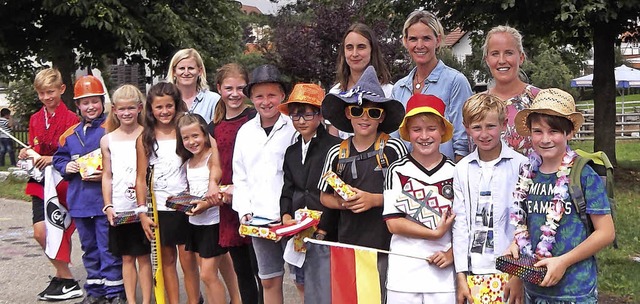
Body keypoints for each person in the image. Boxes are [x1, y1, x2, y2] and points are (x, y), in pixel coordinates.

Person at [508, 88, 615, 303]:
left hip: (575, 291)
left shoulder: (584, 175)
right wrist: (516, 260)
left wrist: (563, 261)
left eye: (554, 131)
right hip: (534, 290)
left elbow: (606, 232)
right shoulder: (528, 174)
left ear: (569, 133)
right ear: (529, 133)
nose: (545, 139)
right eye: (537, 131)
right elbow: (525, 225)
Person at [318, 65, 408, 300]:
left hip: (385, 245)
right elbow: (324, 196)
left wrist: (374, 200)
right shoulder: (336, 153)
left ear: (383, 117)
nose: (365, 118)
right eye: (357, 111)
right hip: (348, 244)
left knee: (382, 296)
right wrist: (343, 203)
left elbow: (408, 196)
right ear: (348, 114)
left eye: (374, 112)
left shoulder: (393, 148)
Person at [135, 82, 220, 304]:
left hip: (187, 206)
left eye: (169, 106)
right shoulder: (144, 138)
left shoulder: (187, 130)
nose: (164, 111)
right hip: (159, 208)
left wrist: (213, 183)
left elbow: (213, 156)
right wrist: (142, 212)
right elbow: (140, 178)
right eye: (159, 107)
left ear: (177, 105)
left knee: (188, 260)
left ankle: (194, 300)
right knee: (167, 261)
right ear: (150, 110)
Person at [53, 75, 126, 303]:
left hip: (105, 202)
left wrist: (107, 173)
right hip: (80, 203)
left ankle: (115, 292)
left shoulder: (112, 129)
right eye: (85, 102)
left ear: (102, 102)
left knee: (108, 249)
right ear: (78, 105)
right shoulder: (69, 135)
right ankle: (95, 291)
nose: (90, 107)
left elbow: (125, 161)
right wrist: (67, 166)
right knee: (90, 249)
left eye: (95, 101)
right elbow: (58, 159)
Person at [452, 93, 527, 304]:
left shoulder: (521, 165)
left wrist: (519, 273)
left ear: (503, 125)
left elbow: (525, 221)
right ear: (467, 128)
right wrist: (461, 275)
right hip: (475, 269)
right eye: (477, 127)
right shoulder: (462, 169)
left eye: (490, 126)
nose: (484, 134)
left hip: (511, 267)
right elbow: (460, 225)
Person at [382, 94, 457, 303]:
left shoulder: (456, 171)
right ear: (407, 132)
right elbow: (393, 223)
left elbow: (464, 224)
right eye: (417, 129)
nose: (424, 136)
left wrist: (452, 253)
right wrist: (434, 233)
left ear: (442, 130)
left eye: (431, 128)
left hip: (443, 273)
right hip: (404, 272)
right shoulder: (396, 170)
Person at [232, 64, 296, 304]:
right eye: (259, 96)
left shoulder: (293, 128)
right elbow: (240, 176)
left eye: (272, 95)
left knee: (301, 279)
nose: (266, 101)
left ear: (282, 96)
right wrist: (244, 211)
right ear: (251, 99)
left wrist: (292, 212)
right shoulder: (246, 132)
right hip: (259, 219)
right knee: (268, 279)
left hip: (291, 218)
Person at [18, 68, 81, 301]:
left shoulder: (73, 119)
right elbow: (33, 147)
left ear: (62, 89)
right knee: (40, 232)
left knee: (59, 230)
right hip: (39, 182)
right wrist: (27, 152)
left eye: (50, 92)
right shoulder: (35, 119)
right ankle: (66, 278)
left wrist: (53, 159)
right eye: (42, 93)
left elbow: (76, 154)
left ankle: (62, 279)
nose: (46, 97)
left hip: (63, 182)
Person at [277, 83, 341, 302]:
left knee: (326, 285)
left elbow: (336, 192)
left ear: (320, 114)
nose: (301, 121)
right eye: (295, 116)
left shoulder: (335, 148)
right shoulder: (291, 151)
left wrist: (324, 228)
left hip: (325, 229)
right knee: (300, 281)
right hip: (297, 229)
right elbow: (288, 187)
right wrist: (285, 214)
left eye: (307, 114)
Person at [207, 63, 261, 304]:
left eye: (240, 88)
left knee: (262, 269)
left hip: (253, 201)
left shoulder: (255, 117)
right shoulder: (214, 125)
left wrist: (241, 189)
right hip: (228, 204)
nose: (235, 93)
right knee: (242, 272)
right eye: (229, 88)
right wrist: (213, 184)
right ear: (219, 88)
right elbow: (215, 163)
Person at [391, 10, 472, 162]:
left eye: (426, 38)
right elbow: (395, 141)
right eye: (413, 39)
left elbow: (463, 142)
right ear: (405, 41)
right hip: (406, 178)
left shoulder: (455, 82)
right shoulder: (398, 88)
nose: (419, 45)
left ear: (438, 40)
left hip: (445, 177)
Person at [100, 84, 151, 304]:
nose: (126, 113)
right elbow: (107, 175)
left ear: (140, 108)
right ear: (115, 111)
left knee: (144, 256)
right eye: (122, 109)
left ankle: (147, 300)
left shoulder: (148, 135)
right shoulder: (107, 139)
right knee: (127, 257)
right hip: (120, 206)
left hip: (144, 206)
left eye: (131, 108)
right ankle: (131, 300)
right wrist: (108, 205)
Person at [176, 113, 228, 304]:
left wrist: (204, 205)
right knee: (209, 271)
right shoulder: (189, 162)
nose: (191, 141)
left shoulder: (212, 158)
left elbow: (219, 191)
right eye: (186, 138)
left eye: (195, 135)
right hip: (195, 223)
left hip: (213, 223)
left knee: (207, 274)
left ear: (205, 135)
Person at [328, 22, 393, 139]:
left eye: (361, 47)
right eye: (349, 48)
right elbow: (333, 139)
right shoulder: (335, 93)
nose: (354, 54)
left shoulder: (388, 91)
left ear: (372, 50)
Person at [483, 25, 539, 155]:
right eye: (495, 54)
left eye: (509, 53)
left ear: (521, 57)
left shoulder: (539, 99)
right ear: (487, 60)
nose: (502, 60)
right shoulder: (477, 104)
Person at [168, 48, 221, 124]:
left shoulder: (213, 100)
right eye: (182, 68)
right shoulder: (166, 100)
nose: (186, 73)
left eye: (191, 68)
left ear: (200, 71)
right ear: (174, 72)